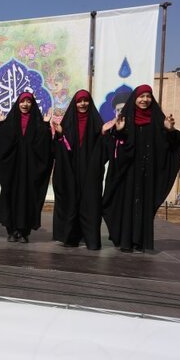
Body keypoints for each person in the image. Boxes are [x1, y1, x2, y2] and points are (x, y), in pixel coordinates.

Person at [102, 84, 180, 252]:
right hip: (128, 173)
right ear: (135, 98)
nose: (145, 99)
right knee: (125, 204)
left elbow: (172, 145)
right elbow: (115, 147)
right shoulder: (126, 119)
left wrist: (170, 131)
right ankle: (125, 240)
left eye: (148, 96)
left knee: (143, 206)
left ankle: (141, 241)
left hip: (148, 173)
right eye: (141, 96)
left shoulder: (158, 120)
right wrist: (119, 132)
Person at [0, 92, 53, 243]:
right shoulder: (11, 120)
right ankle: (12, 230)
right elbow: (3, 143)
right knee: (10, 196)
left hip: (29, 170)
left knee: (27, 199)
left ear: (32, 104)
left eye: (28, 101)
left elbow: (43, 146)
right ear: (18, 103)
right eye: (22, 101)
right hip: (13, 170)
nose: (25, 104)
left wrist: (46, 126)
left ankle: (24, 232)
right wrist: (1, 124)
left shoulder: (38, 122)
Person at [52, 90, 107, 249]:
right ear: (74, 104)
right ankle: (71, 237)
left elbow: (103, 148)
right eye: (79, 101)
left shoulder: (97, 123)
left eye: (85, 100)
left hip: (91, 172)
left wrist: (104, 134)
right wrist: (60, 136)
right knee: (71, 201)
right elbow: (59, 149)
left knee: (91, 204)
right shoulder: (67, 124)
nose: (82, 104)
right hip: (71, 171)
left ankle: (90, 238)